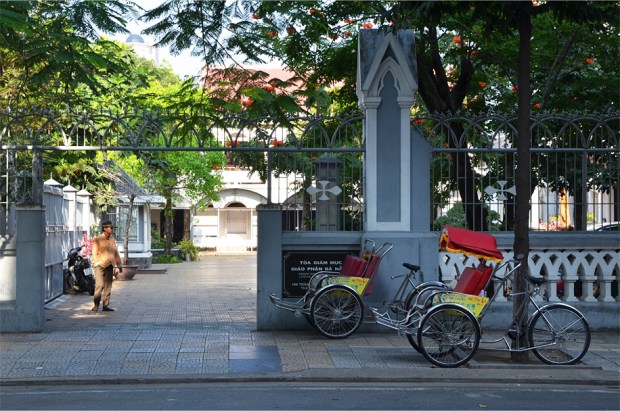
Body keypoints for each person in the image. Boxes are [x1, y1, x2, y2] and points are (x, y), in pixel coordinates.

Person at [91, 220, 122, 312]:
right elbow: (94, 252)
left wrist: (119, 265)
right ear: (105, 228)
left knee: (108, 286)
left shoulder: (112, 240)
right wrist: (97, 262)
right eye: (110, 228)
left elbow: (116, 253)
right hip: (100, 265)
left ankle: (106, 305)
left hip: (109, 265)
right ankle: (96, 305)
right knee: (99, 286)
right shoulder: (98, 239)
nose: (112, 229)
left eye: (112, 228)